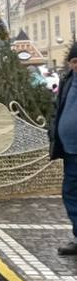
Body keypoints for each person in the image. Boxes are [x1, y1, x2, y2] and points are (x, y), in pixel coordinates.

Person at [53, 46, 77, 255]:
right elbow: (60, 107)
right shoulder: (67, 80)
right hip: (70, 150)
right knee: (70, 193)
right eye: (74, 61)